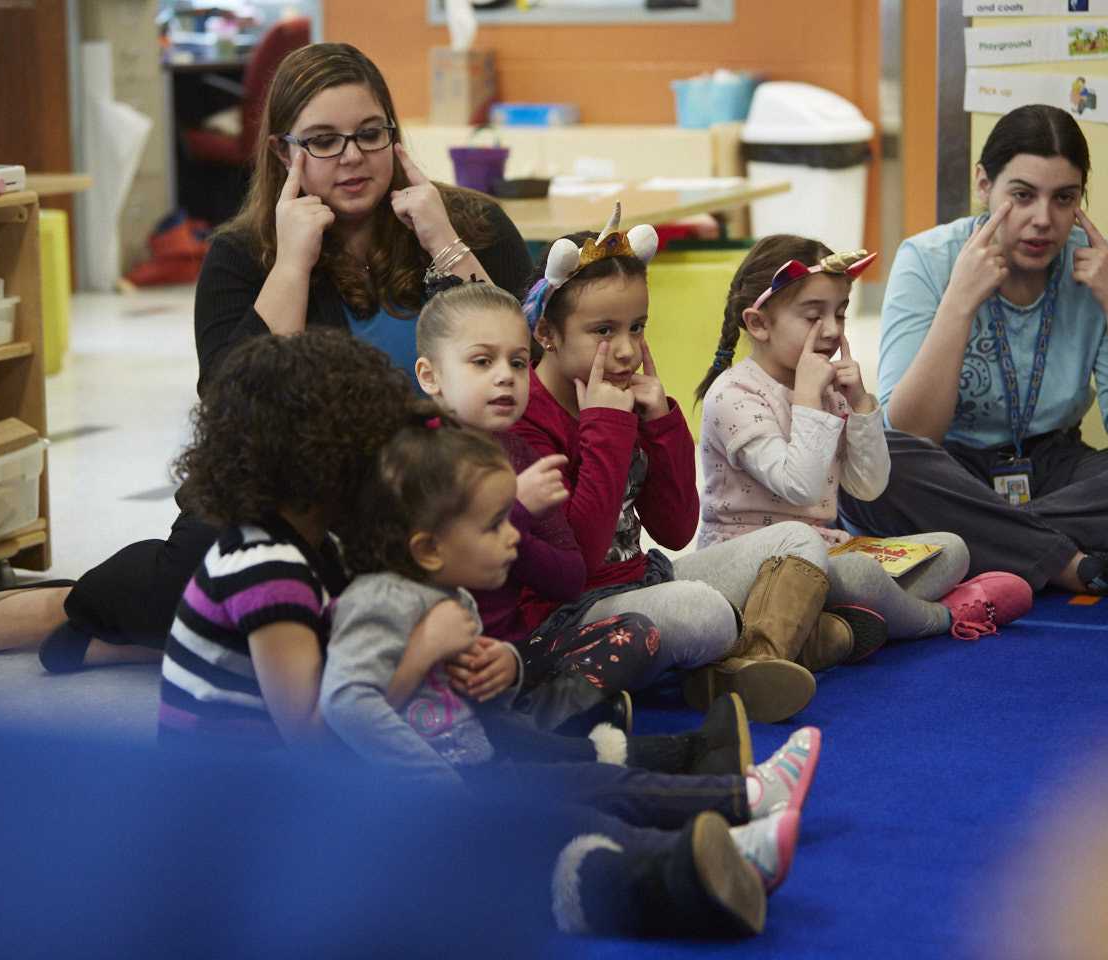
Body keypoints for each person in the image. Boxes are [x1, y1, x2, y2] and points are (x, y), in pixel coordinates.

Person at [0, 42, 532, 671]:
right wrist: (292, 263)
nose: (351, 157)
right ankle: (64, 610)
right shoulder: (243, 252)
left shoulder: (471, 225)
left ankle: (118, 637)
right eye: (322, 140)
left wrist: (442, 242)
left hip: (436, 480)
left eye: (370, 134)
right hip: (297, 487)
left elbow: (521, 347)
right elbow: (232, 406)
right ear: (284, 152)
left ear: (395, 138)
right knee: (229, 580)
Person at [319, 411, 822, 918]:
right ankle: (724, 862)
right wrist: (426, 669)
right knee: (575, 820)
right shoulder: (376, 602)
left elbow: (479, 706)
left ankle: (744, 796)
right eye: (495, 525)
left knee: (599, 785)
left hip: (483, 773)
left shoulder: (454, 599)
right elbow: (344, 702)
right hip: (426, 810)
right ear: (428, 548)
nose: (513, 535)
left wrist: (506, 669)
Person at [838, 104, 1108, 600]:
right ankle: (1078, 563)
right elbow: (911, 431)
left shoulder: (1106, 265)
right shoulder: (928, 259)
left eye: (1064, 199)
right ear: (983, 185)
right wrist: (959, 303)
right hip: (951, 469)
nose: (1043, 220)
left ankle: (990, 542)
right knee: (873, 470)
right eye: (1022, 195)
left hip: (1059, 470)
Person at [514, 209, 867, 723]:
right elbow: (579, 563)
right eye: (603, 331)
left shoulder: (624, 399)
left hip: (642, 583)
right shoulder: (527, 420)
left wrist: (660, 423)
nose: (627, 350)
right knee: (702, 613)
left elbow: (677, 531)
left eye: (638, 327)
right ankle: (785, 643)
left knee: (798, 541)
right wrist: (605, 428)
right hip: (568, 615)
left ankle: (742, 665)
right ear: (547, 333)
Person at [694, 234, 1033, 644]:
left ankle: (840, 626)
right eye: (812, 316)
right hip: (746, 564)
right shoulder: (734, 394)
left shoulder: (827, 389)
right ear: (759, 323)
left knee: (951, 549)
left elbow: (868, 487)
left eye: (840, 314)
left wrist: (861, 407)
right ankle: (937, 617)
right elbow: (798, 486)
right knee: (850, 570)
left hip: (820, 554)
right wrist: (807, 400)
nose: (832, 331)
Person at [413, 281, 661, 729]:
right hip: (431, 656)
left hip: (513, 648)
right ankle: (541, 729)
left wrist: (512, 659)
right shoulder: (412, 455)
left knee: (635, 634)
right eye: (482, 362)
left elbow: (568, 578)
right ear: (430, 376)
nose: (506, 376)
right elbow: (426, 563)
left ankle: (534, 719)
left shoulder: (523, 455)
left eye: (518, 362)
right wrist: (515, 509)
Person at [155, 331, 419, 750]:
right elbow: (313, 735)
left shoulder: (315, 543)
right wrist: (424, 651)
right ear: (326, 458)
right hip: (237, 800)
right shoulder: (268, 569)